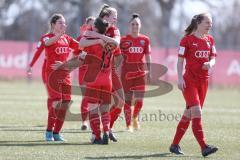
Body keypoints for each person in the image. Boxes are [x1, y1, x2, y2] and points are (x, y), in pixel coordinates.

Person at [169, 13, 218, 157]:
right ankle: (204, 147)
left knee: (189, 114)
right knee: (197, 112)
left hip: (204, 82)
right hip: (189, 82)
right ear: (198, 23)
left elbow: (213, 57)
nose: (210, 25)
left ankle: (174, 145)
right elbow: (179, 62)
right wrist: (179, 79)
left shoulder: (210, 40)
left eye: (211, 22)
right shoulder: (187, 40)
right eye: (207, 22)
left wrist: (210, 64)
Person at [80, 4, 122, 143]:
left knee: (93, 108)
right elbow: (116, 45)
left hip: (93, 76)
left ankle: (97, 136)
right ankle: (105, 130)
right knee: (104, 108)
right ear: (105, 17)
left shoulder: (94, 29)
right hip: (107, 77)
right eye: (113, 17)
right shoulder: (113, 32)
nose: (115, 20)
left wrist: (97, 37)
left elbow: (81, 43)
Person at [43, 13, 79, 141]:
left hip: (65, 75)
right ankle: (48, 131)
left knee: (65, 103)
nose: (64, 25)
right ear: (53, 24)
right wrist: (59, 35)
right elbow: (47, 43)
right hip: (52, 75)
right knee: (57, 102)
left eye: (64, 23)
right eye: (60, 23)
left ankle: (56, 133)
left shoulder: (67, 39)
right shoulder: (47, 37)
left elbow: (81, 46)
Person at [120, 13, 151, 132]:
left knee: (140, 100)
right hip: (126, 74)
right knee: (127, 100)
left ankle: (135, 118)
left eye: (137, 24)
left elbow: (148, 57)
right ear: (129, 26)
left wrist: (150, 70)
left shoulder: (145, 40)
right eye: (132, 24)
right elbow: (118, 57)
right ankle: (128, 125)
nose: (135, 26)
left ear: (140, 26)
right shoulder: (123, 40)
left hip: (140, 74)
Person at [75, 16, 95, 131]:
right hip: (83, 71)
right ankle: (84, 122)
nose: (92, 27)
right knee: (85, 97)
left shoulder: (99, 38)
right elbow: (74, 54)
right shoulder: (80, 38)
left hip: (95, 72)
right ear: (86, 25)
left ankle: (95, 122)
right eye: (90, 24)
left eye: (94, 24)